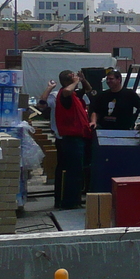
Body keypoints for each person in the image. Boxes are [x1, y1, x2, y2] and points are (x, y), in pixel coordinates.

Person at [54, 70, 94, 209]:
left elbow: (89, 89)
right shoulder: (65, 95)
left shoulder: (75, 95)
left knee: (78, 171)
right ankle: (70, 202)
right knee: (73, 171)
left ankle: (75, 200)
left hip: (80, 137)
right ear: (67, 81)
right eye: (73, 77)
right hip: (72, 139)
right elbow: (66, 91)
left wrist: (82, 80)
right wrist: (75, 82)